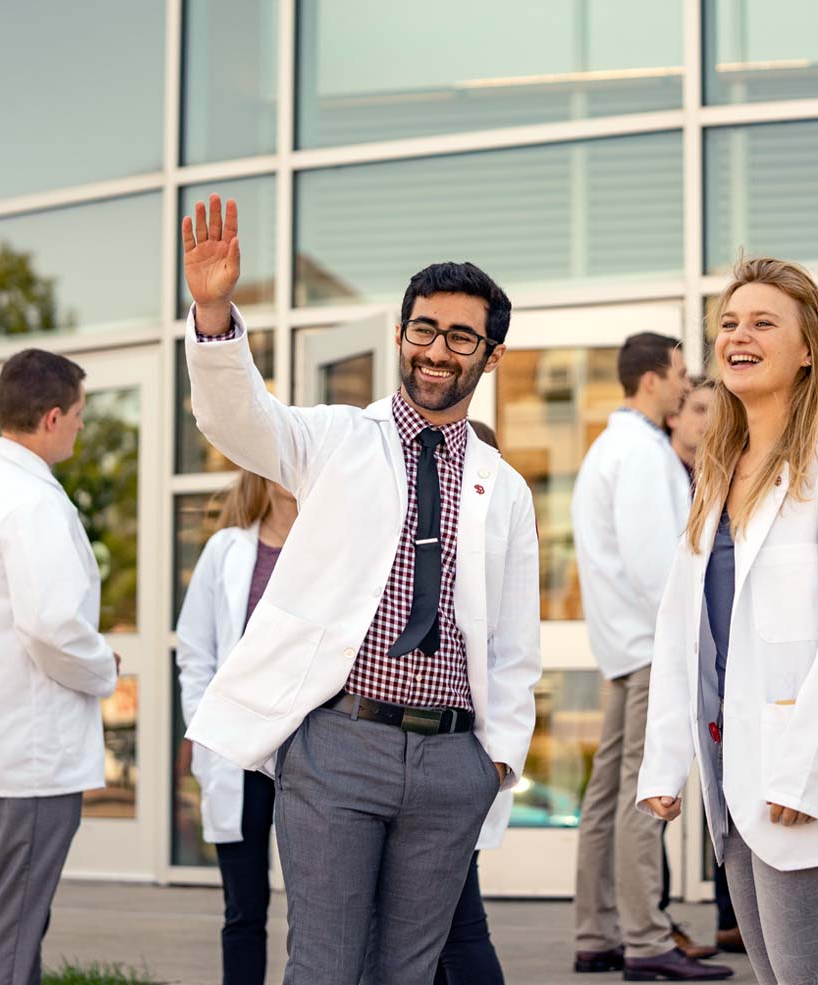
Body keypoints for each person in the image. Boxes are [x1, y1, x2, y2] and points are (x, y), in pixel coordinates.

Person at [180, 194, 541, 985]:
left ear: (492, 353)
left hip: (453, 762)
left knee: (407, 971)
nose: (437, 350)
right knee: (326, 963)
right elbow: (239, 421)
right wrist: (214, 314)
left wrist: (496, 761)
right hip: (339, 745)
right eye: (423, 329)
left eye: (460, 336)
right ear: (401, 334)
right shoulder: (339, 439)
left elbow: (516, 641)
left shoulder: (504, 488)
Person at [638, 257, 818, 985]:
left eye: (764, 322)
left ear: (807, 350)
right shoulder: (717, 471)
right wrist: (666, 762)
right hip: (739, 788)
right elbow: (684, 635)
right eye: (729, 323)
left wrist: (809, 776)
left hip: (807, 794)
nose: (740, 335)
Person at [572, 335, 731, 981]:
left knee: (608, 795)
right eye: (678, 373)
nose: (684, 384)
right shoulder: (638, 452)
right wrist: (691, 640)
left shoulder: (615, 446)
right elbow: (653, 564)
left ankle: (597, 932)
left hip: (624, 648)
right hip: (646, 649)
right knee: (644, 793)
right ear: (651, 381)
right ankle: (643, 939)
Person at [0, 349, 119, 985]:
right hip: (28, 761)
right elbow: (52, 626)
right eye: (80, 415)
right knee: (9, 932)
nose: (82, 427)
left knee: (14, 924)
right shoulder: (34, 503)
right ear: (52, 417)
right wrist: (103, 666)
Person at [176, 470, 299, 985]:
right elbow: (195, 650)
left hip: (310, 750)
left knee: (320, 915)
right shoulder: (225, 550)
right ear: (263, 476)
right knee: (244, 911)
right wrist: (207, 730)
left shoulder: (331, 549)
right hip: (239, 750)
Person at [665, 378, 744, 955]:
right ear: (675, 415)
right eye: (696, 408)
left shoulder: (732, 478)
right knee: (669, 791)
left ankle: (730, 914)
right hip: (674, 657)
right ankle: (662, 918)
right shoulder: (664, 477)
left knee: (730, 780)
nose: (705, 422)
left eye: (717, 412)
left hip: (735, 664)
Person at [434, 419, 506, 985]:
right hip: (456, 764)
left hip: (452, 760)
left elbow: (508, 654)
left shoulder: (466, 549)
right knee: (446, 926)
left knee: (456, 926)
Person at [666, 377, 714, 487]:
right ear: (672, 416)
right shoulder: (656, 470)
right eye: (700, 409)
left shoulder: (720, 481)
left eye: (717, 413)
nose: (711, 420)